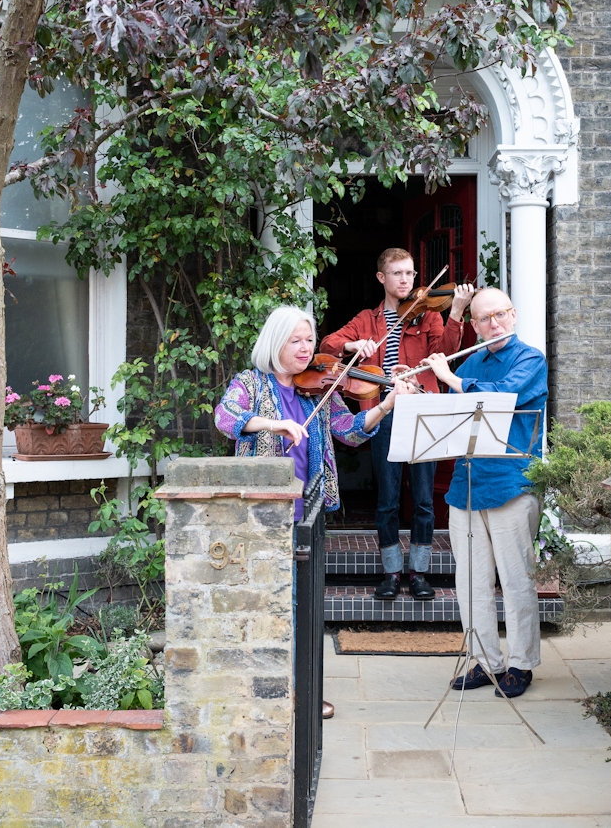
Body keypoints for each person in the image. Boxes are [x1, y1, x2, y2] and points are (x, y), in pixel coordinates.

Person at [216, 305, 417, 722]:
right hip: (264, 513)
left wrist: (387, 404)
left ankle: (302, 692)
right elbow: (225, 417)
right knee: (273, 603)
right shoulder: (250, 384)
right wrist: (272, 426)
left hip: (309, 511)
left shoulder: (320, 390)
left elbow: (349, 430)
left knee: (306, 606)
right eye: (296, 340)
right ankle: (271, 691)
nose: (306, 348)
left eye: (310, 339)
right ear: (276, 343)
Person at [321, 248, 474, 601]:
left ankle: (419, 572)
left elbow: (447, 353)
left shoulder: (429, 316)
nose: (405, 280)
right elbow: (329, 343)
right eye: (397, 274)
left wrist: (455, 312)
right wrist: (353, 343)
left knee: (422, 499)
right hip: (383, 413)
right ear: (382, 278)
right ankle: (391, 572)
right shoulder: (367, 319)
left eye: (410, 274)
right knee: (387, 499)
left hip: (422, 409)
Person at [419, 287, 547, 699]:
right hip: (467, 485)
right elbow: (446, 408)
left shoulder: (531, 358)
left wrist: (453, 379)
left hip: (512, 482)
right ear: (474, 325)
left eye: (501, 315)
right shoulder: (474, 358)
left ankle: (521, 664)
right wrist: (425, 388)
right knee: (470, 582)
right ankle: (485, 660)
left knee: (515, 580)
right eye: (485, 319)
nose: (494, 324)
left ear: (513, 314)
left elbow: (505, 396)